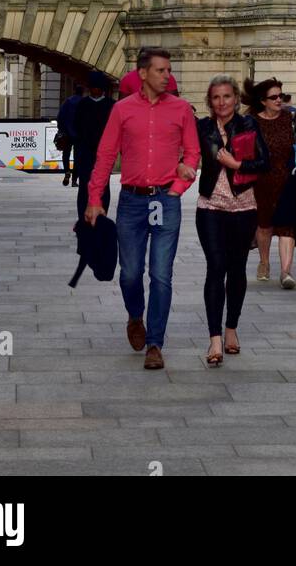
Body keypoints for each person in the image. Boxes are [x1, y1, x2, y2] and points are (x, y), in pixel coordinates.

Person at [85, 47, 199, 371]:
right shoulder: (122, 110)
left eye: (169, 70)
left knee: (161, 275)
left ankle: (155, 343)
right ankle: (136, 315)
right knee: (131, 273)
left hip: (165, 200)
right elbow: (105, 156)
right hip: (132, 202)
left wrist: (179, 187)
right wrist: (95, 199)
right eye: (161, 71)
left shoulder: (181, 110)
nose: (168, 76)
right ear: (143, 74)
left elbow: (192, 153)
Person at [195, 76, 269, 366]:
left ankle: (231, 328)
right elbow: (187, 151)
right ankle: (214, 339)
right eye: (216, 98)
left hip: (243, 206)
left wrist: (237, 164)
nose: (222, 103)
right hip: (210, 206)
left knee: (236, 269)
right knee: (216, 267)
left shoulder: (248, 125)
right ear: (209, 101)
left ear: (236, 99)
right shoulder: (202, 127)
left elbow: (265, 162)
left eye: (227, 97)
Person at [244, 78, 296, 289]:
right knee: (264, 226)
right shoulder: (251, 121)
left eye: (281, 96)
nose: (279, 100)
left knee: (287, 227)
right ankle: (264, 262)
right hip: (261, 180)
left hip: (288, 178)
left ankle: (286, 272)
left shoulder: (291, 117)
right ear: (263, 101)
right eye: (274, 97)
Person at [73, 71, 115, 221]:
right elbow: (76, 128)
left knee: (104, 184)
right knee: (85, 185)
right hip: (85, 153)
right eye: (93, 87)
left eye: (98, 88)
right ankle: (84, 216)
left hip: (104, 152)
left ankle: (102, 215)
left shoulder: (111, 105)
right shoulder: (82, 104)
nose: (96, 90)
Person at [57, 84, 83, 187]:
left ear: (74, 91)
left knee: (66, 154)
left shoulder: (67, 101)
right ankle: (74, 179)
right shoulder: (84, 102)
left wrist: (61, 129)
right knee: (78, 157)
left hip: (67, 133)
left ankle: (67, 171)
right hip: (79, 135)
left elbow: (60, 116)